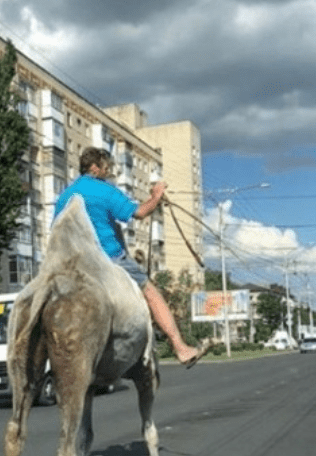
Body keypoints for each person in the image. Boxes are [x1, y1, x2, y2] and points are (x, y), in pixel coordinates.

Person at [54, 147, 210, 368]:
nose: (108, 173)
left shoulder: (64, 196)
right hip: (107, 258)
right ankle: (181, 347)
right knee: (150, 291)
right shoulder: (104, 190)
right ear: (95, 168)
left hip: (70, 264)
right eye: (106, 168)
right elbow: (138, 213)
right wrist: (155, 196)